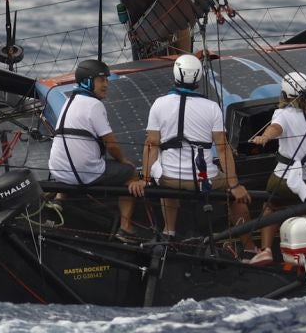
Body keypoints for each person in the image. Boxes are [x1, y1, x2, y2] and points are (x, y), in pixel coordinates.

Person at [129, 53, 250, 243]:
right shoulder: (212, 108)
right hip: (204, 179)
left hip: (170, 180)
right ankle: (250, 248)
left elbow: (151, 144)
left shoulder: (159, 104)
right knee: (236, 197)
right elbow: (223, 149)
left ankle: (169, 232)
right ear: (199, 78)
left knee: (164, 170)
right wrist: (235, 185)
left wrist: (144, 179)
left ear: (176, 75)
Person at [47, 57, 146, 238]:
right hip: (82, 174)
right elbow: (111, 144)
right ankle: (125, 228)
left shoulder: (70, 101)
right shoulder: (94, 105)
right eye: (102, 80)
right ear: (88, 81)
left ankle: (60, 199)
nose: (106, 84)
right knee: (130, 172)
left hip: (58, 171)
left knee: (74, 156)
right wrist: (124, 161)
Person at [244, 71, 306, 265]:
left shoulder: (282, 113)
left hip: (288, 182)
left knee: (270, 206)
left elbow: (275, 128)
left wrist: (265, 137)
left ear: (284, 95)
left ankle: (266, 250)